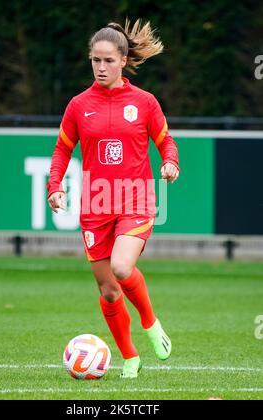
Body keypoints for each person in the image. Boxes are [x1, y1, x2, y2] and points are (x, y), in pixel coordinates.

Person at [47, 19, 180, 378]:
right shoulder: (78, 105)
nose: (101, 67)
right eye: (95, 60)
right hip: (95, 206)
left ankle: (151, 323)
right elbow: (62, 150)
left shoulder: (145, 102)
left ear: (123, 60)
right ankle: (130, 357)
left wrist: (170, 162)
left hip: (134, 199)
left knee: (122, 268)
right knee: (108, 291)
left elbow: (166, 141)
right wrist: (54, 185)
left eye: (107, 60)